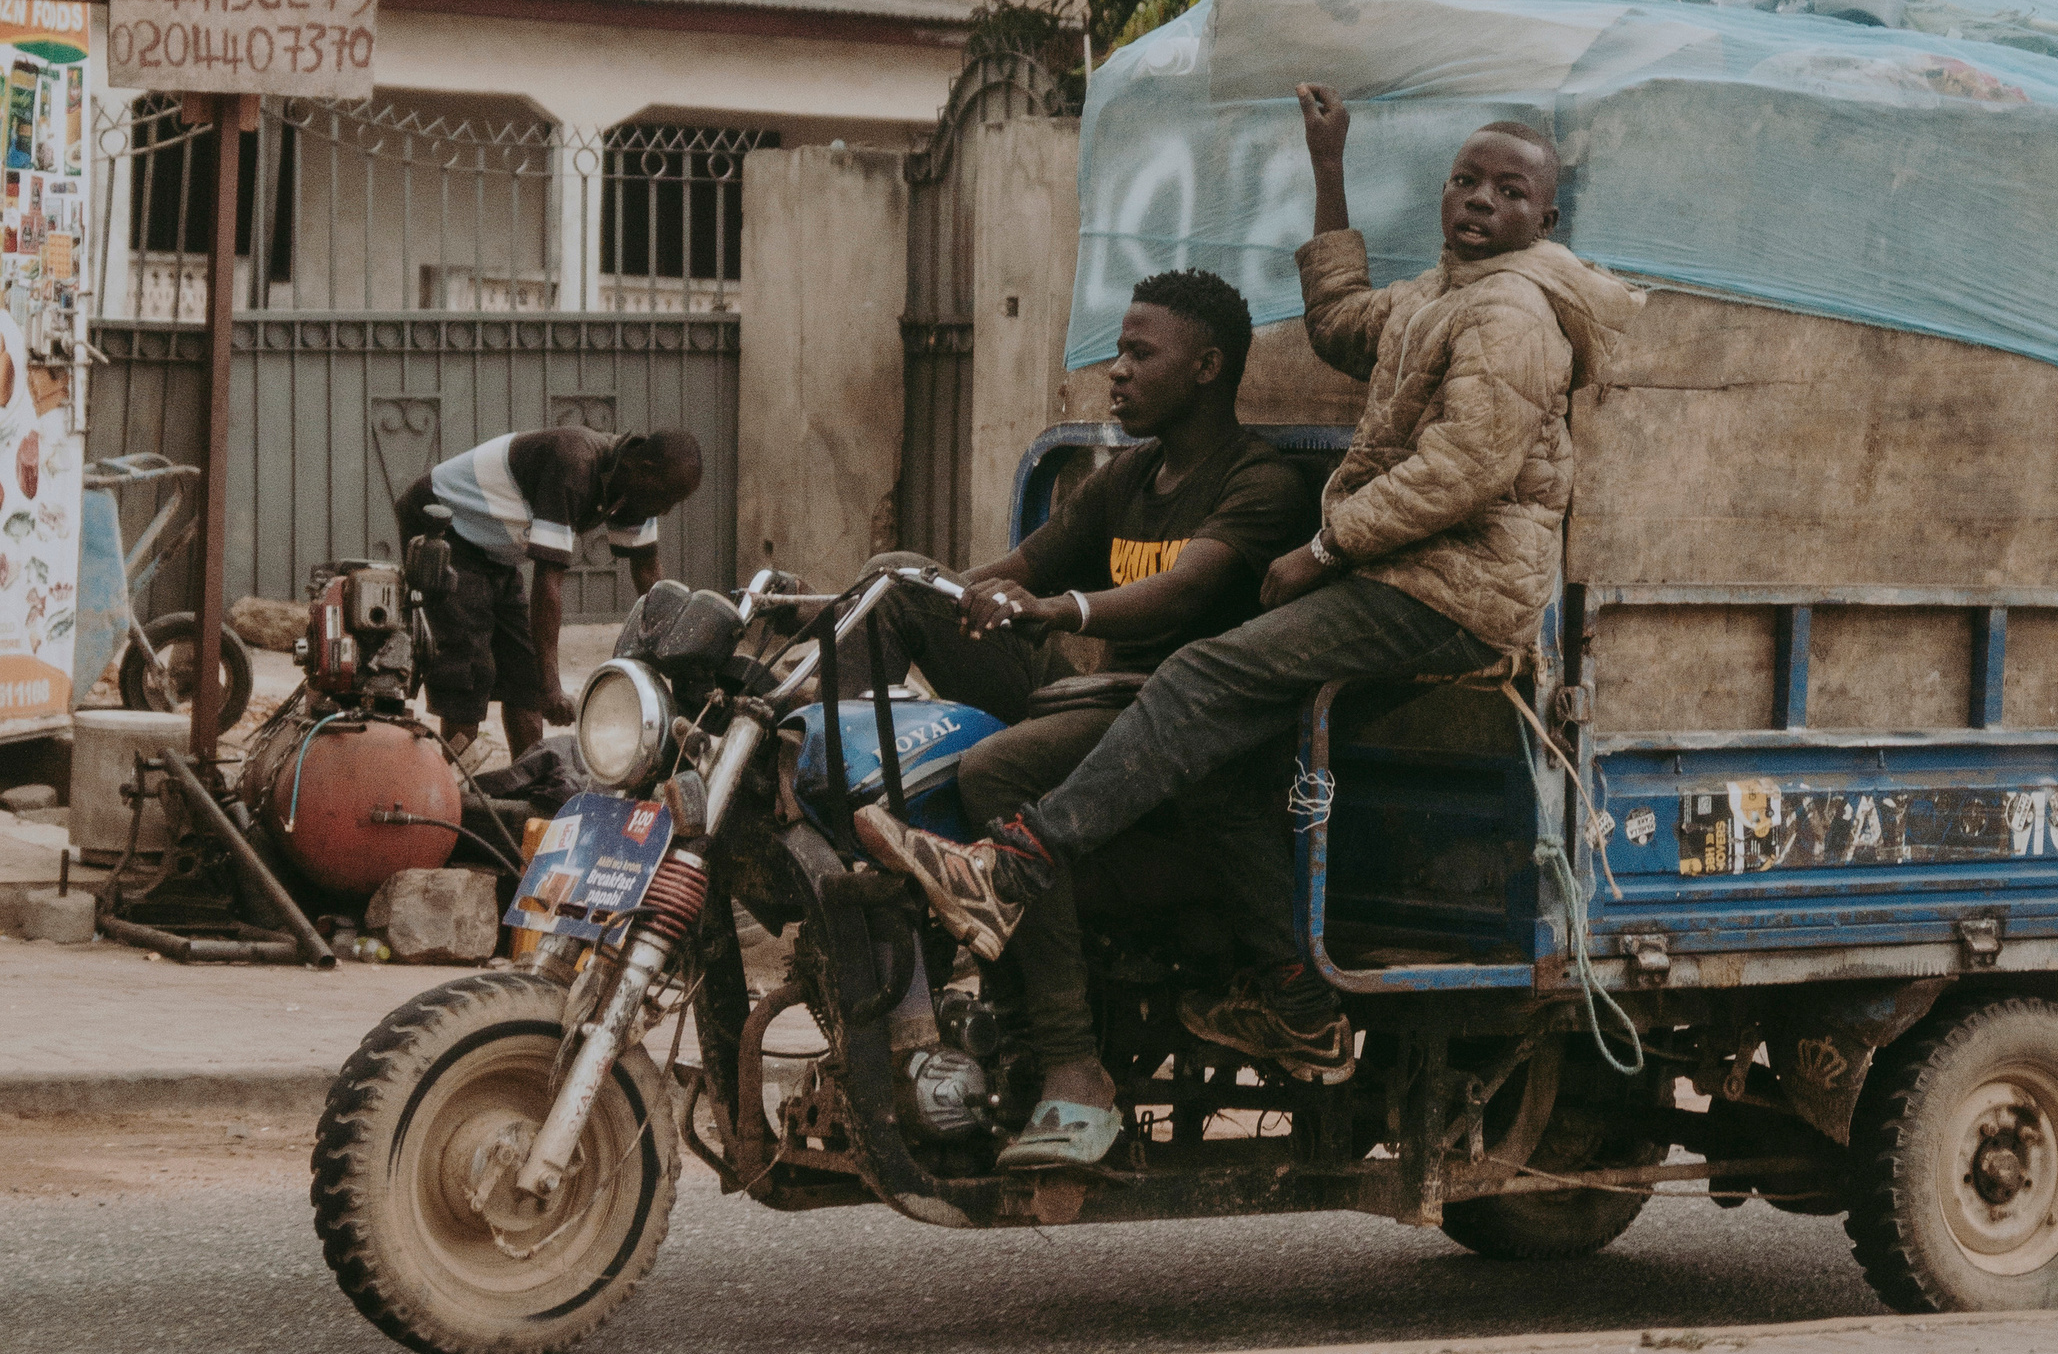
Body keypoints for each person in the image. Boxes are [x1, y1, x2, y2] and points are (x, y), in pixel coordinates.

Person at [856, 82, 1632, 1075]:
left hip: (1452, 590)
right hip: (1407, 575)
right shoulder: (1436, 298)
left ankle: (1015, 866)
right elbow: (1342, 322)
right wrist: (1327, 164)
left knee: (1198, 677)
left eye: (1509, 191)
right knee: (1222, 751)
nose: (1481, 200)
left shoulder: (1516, 314)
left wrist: (1327, 543)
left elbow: (1463, 469)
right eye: (1465, 181)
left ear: (1543, 220)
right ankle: (1296, 998)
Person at [857, 268, 1315, 1170]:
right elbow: (1013, 568)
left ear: (1207, 368)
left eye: (1141, 353)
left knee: (998, 772)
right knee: (899, 580)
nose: (1117, 370)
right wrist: (908, 594)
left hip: (1186, 740)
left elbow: (1178, 594)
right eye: (1118, 350)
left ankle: (1074, 1068)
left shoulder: (1262, 483)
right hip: (1097, 706)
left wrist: (1060, 612)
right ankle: (848, 841)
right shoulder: (1128, 474)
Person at [395, 424, 702, 757]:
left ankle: (531, 780)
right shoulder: (574, 464)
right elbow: (548, 582)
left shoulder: (634, 490)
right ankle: (449, 782)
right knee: (469, 666)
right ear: (645, 469)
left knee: (525, 676)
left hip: (492, 549)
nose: (666, 510)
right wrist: (553, 686)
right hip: (443, 524)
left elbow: (647, 573)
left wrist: (681, 660)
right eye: (667, 498)